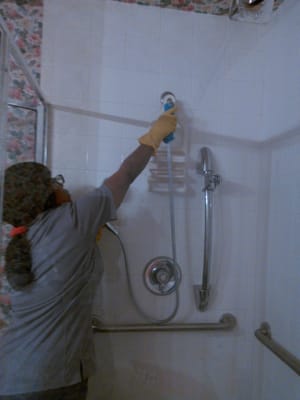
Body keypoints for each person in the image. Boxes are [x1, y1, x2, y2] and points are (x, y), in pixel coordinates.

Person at [0, 107, 176, 400]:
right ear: (44, 195)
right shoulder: (71, 220)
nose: (60, 185)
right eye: (54, 182)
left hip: (13, 376)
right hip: (49, 381)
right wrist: (154, 136)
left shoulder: (23, 239)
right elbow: (127, 174)